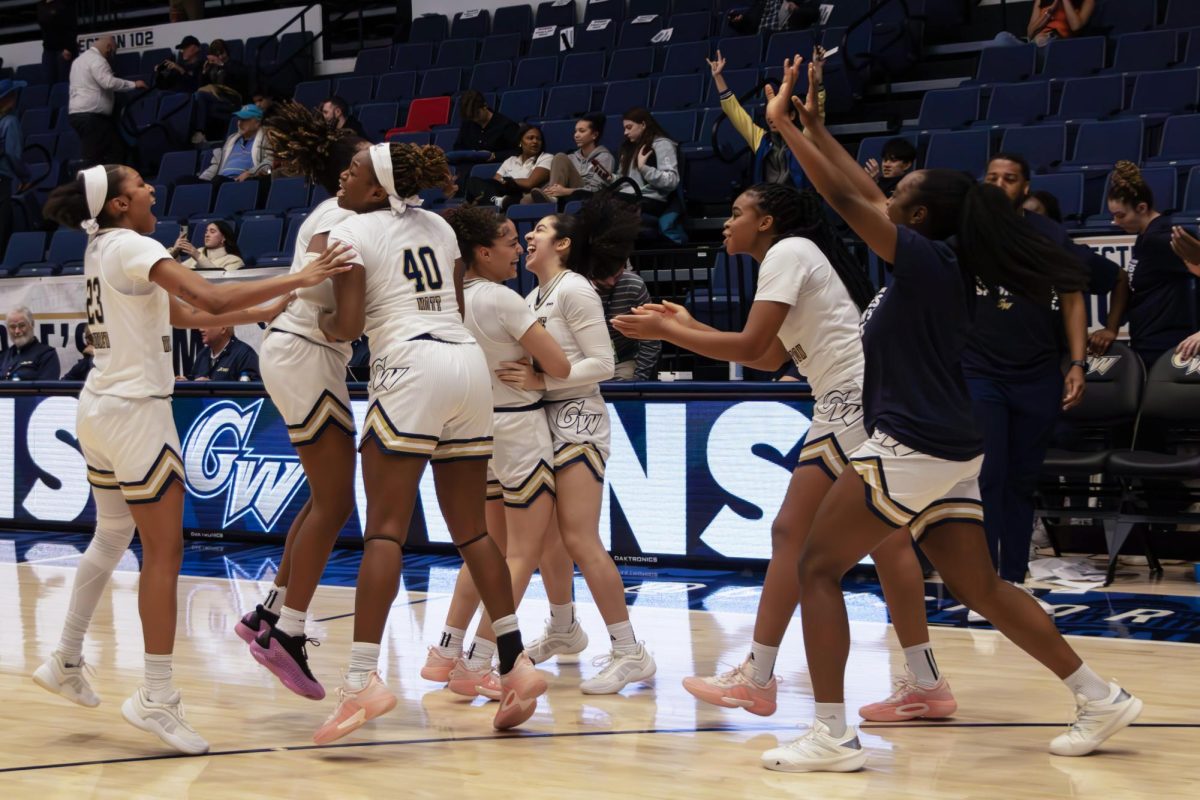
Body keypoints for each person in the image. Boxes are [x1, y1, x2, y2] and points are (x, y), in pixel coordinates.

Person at [760, 55, 1139, 772]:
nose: (886, 194)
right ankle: (1098, 694)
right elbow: (859, 188)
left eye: (900, 192)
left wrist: (785, 129)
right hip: (951, 445)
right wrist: (813, 127)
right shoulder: (943, 256)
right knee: (981, 586)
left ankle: (832, 735)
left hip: (913, 442)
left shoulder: (929, 263)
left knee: (815, 566)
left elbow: (844, 198)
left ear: (920, 216)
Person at [32, 163, 351, 755]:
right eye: (139, 183)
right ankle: (155, 695)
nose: (152, 187)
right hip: (135, 413)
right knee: (165, 551)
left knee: (109, 537)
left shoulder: (102, 246)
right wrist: (296, 278)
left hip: (98, 406)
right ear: (121, 204)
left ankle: (66, 656)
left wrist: (260, 311)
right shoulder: (133, 244)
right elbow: (206, 293)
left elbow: (186, 315)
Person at [614, 184, 953, 724]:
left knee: (792, 533)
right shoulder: (792, 255)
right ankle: (926, 682)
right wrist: (687, 327)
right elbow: (770, 357)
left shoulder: (787, 253)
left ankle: (759, 675)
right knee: (887, 543)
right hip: (857, 399)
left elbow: (750, 350)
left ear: (767, 221)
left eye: (735, 212)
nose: (726, 223)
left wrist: (668, 331)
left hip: (851, 400)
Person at [314, 142, 547, 741]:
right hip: (464, 361)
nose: (346, 174)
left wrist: (311, 320)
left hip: (409, 363)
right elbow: (458, 303)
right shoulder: (442, 226)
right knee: (472, 529)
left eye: (356, 170)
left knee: (385, 530)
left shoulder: (351, 230)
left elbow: (345, 324)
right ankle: (515, 665)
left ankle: (362, 677)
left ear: (375, 191)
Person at [492, 197, 658, 694]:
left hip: (579, 420)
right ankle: (564, 628)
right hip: (544, 422)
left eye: (539, 228)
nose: (528, 236)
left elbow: (603, 364)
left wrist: (542, 381)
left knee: (581, 537)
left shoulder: (576, 289)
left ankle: (631, 651)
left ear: (562, 244)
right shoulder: (534, 296)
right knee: (548, 540)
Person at [234, 101, 369, 704]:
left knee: (324, 497)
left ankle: (266, 614)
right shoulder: (338, 212)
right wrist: (357, 317)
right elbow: (327, 294)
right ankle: (284, 633)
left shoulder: (341, 210)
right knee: (337, 500)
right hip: (304, 349)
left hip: (302, 350)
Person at [421, 205, 572, 698]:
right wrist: (537, 372)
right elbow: (560, 365)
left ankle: (445, 649)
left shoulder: (447, 300)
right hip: (520, 428)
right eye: (508, 241)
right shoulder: (505, 301)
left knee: (485, 549)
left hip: (473, 430)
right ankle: (479, 662)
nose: (517, 248)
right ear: (482, 252)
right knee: (521, 553)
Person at [968, 153, 1089, 605]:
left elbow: (1074, 298)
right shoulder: (964, 235)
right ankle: (981, 585)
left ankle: (1013, 580)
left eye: (1010, 178)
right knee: (988, 475)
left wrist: (1077, 364)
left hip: (1037, 373)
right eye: (992, 177)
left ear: (1025, 187)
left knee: (1021, 478)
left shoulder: (1048, 235)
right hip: (979, 371)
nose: (1000, 184)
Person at [1089, 161, 1200, 370]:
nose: (1115, 222)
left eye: (1121, 215)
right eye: (1113, 215)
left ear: (1142, 208)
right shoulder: (1144, 238)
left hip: (1168, 347)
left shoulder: (1161, 239)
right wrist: (1112, 328)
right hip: (1147, 343)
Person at [708, 47, 826, 189]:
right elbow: (734, 111)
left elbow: (816, 113)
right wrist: (718, 77)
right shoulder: (761, 139)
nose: (771, 118)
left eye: (778, 112)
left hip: (798, 205)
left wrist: (817, 77)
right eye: (769, 114)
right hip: (768, 203)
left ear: (792, 115)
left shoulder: (804, 138)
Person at [68, 36, 147, 168]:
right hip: (92, 116)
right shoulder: (98, 60)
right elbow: (108, 82)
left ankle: (108, 182)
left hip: (77, 115)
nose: (112, 56)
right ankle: (103, 185)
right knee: (100, 155)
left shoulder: (78, 61)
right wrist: (134, 84)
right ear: (109, 47)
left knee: (109, 150)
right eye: (113, 51)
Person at [596, 265, 659, 381]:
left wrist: (639, 378)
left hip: (622, 360)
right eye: (603, 274)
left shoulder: (633, 284)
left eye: (616, 274)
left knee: (623, 388)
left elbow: (651, 338)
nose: (610, 281)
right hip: (580, 360)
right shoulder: (571, 284)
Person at [465, 124, 552, 207]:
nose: (535, 141)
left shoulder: (546, 158)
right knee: (473, 182)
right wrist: (505, 181)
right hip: (503, 193)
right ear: (520, 142)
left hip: (521, 194)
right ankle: (498, 201)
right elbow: (496, 182)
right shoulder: (510, 160)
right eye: (530, 138)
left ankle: (494, 201)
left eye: (538, 139)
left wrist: (507, 181)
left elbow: (530, 183)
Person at [537, 113, 615, 206]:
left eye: (581, 131)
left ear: (594, 135)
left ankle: (552, 197)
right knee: (526, 200)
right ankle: (551, 195)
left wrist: (566, 191)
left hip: (587, 197)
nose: (576, 135)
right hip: (565, 194)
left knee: (560, 157)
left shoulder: (604, 157)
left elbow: (597, 190)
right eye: (576, 131)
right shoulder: (571, 157)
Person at [616, 107, 679, 216]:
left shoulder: (662, 145)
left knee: (608, 203)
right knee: (590, 198)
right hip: (628, 196)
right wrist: (609, 178)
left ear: (643, 125)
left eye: (629, 127)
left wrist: (644, 169)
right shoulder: (628, 149)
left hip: (652, 199)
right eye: (624, 128)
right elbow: (624, 181)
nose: (625, 132)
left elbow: (671, 181)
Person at [198, 104, 273, 185]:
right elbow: (216, 165)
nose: (240, 123)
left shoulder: (267, 138)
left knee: (218, 180)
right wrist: (202, 181)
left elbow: (270, 163)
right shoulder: (231, 140)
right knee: (185, 180)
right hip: (221, 179)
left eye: (245, 119)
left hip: (243, 182)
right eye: (239, 119)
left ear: (258, 123)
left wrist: (251, 173)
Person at [453, 90, 520, 163]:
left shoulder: (506, 125)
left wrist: (495, 155)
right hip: (470, 166)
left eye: (477, 114)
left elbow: (518, 151)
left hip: (497, 166)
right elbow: (458, 148)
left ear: (485, 106)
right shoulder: (468, 124)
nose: (475, 119)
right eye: (471, 117)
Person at [2, 306, 60, 380]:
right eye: (13, 327)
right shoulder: (4, 357)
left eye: (22, 325)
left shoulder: (47, 355)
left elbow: (48, 389)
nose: (17, 331)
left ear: (32, 324)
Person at [184, 325, 260, 381]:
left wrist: (211, 385)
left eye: (206, 323)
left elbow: (253, 394)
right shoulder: (202, 354)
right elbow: (194, 379)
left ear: (223, 328)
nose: (200, 329)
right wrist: (186, 382)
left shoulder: (245, 354)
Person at [172, 221, 244, 271]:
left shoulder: (234, 260)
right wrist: (174, 252)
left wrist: (198, 257)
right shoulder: (200, 251)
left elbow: (221, 281)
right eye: (206, 232)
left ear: (224, 238)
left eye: (212, 232)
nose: (206, 235)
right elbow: (179, 271)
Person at [38, 0, 77, 86]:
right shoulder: (41, 5)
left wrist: (68, 48)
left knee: (64, 82)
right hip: (48, 49)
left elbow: (72, 26)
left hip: (63, 49)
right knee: (47, 81)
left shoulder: (65, 3)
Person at [727, 0, 821, 34]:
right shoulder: (758, 4)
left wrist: (797, 9)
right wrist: (737, 21)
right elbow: (747, 28)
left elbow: (814, 13)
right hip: (764, 37)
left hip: (787, 33)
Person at [1028, 0, 1094, 47]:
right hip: (1038, 39)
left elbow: (1076, 27)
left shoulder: (1087, 1)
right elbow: (1030, 32)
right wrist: (1049, 12)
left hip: (1060, 42)